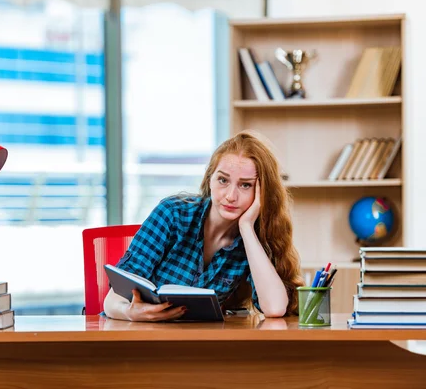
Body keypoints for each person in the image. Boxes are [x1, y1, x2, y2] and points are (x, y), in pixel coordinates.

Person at [103, 131, 304, 322]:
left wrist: (246, 228)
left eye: (245, 185)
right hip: (143, 336)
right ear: (209, 180)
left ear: (262, 193)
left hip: (202, 344)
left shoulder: (254, 241)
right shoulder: (173, 213)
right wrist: (130, 313)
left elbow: (275, 308)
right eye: (223, 180)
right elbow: (112, 300)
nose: (231, 196)